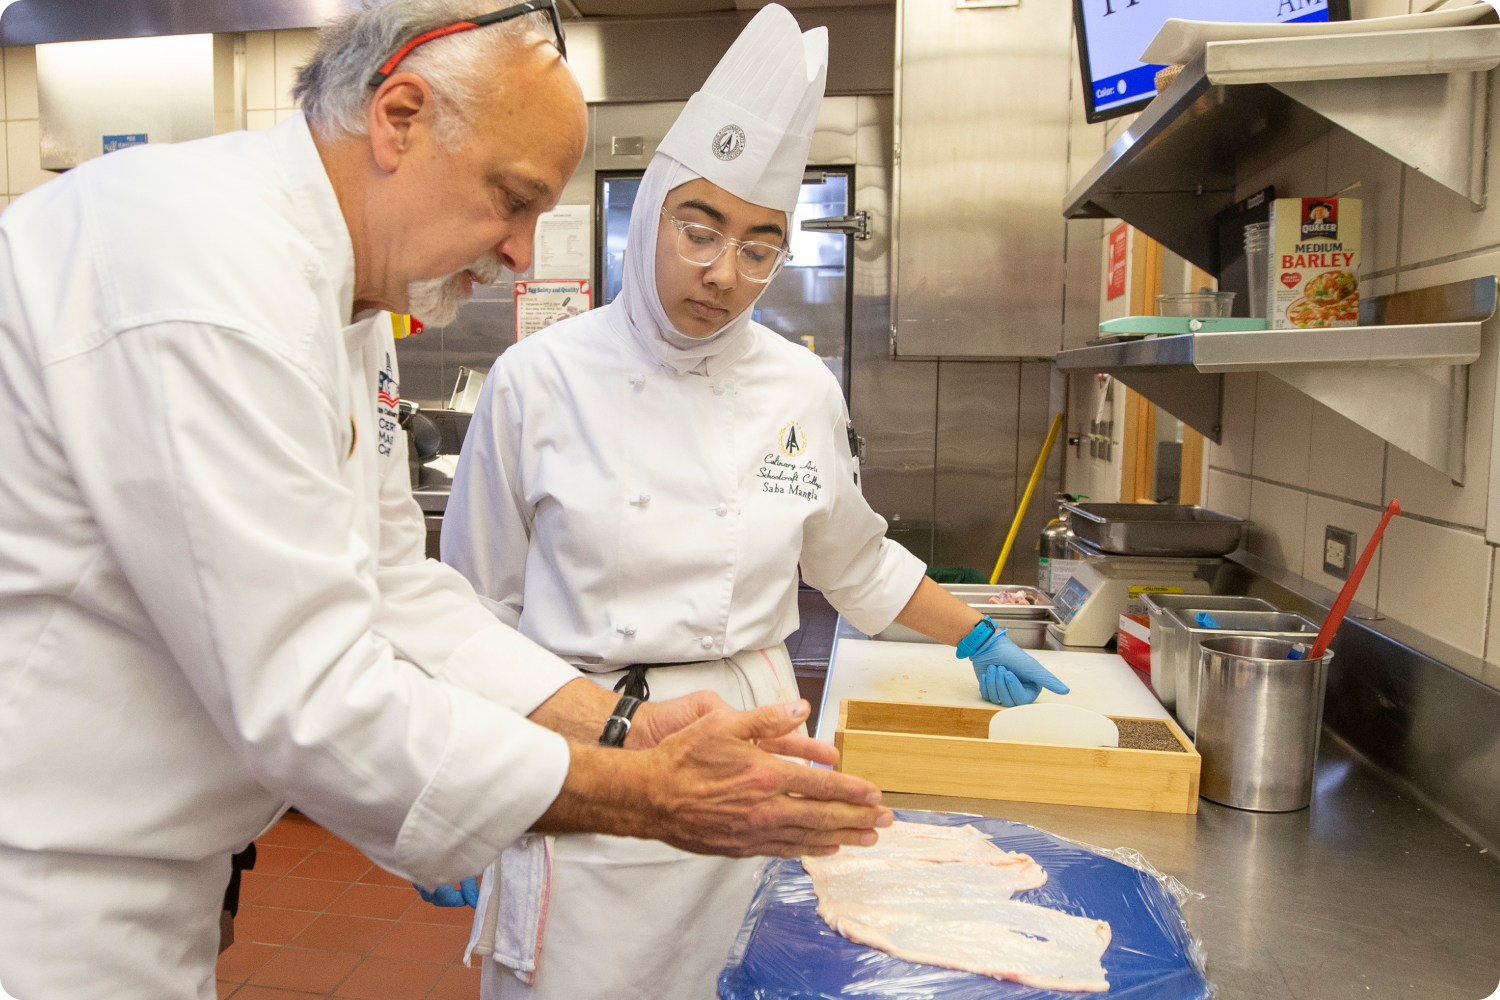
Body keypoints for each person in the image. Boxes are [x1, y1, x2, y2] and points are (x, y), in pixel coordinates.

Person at [0, 3, 894, 998]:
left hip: (156, 874)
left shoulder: (346, 297)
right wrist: (643, 795)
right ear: (400, 116)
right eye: (511, 200)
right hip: (42, 884)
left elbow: (393, 584)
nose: (519, 252)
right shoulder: (199, 266)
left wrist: (617, 725)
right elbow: (309, 693)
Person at [441, 7, 1069, 998]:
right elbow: (473, 605)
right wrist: (464, 783)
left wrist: (976, 637)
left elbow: (854, 559)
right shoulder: (538, 379)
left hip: (757, 739)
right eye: (700, 229)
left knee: (742, 976)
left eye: (757, 247)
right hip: (588, 741)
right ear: (650, 211)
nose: (721, 273)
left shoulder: (798, 389)